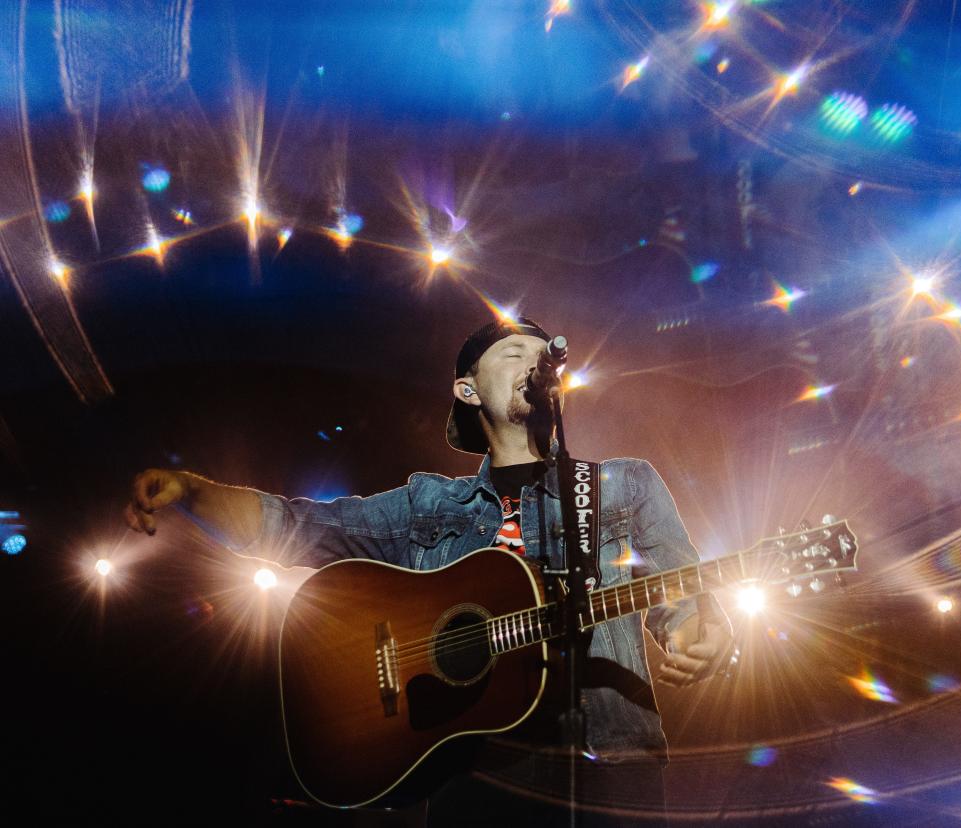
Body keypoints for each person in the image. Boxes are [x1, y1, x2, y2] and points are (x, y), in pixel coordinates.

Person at [124, 316, 734, 826]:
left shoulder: (620, 485)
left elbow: (683, 602)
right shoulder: (427, 505)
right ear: (468, 390)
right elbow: (297, 527)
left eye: (542, 352)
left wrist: (705, 638)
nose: (534, 359)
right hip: (469, 770)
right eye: (513, 350)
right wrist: (191, 491)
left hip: (609, 765)